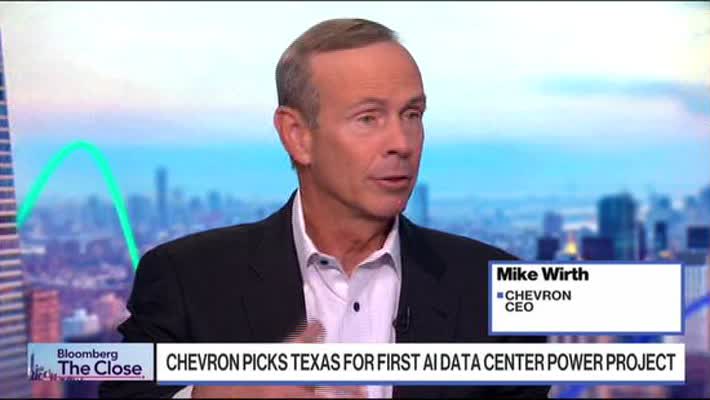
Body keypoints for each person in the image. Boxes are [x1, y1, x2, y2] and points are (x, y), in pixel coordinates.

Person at [99, 18, 549, 399]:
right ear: (298, 136)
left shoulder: (495, 290)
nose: (402, 143)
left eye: (412, 115)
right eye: (369, 118)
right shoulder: (187, 277)